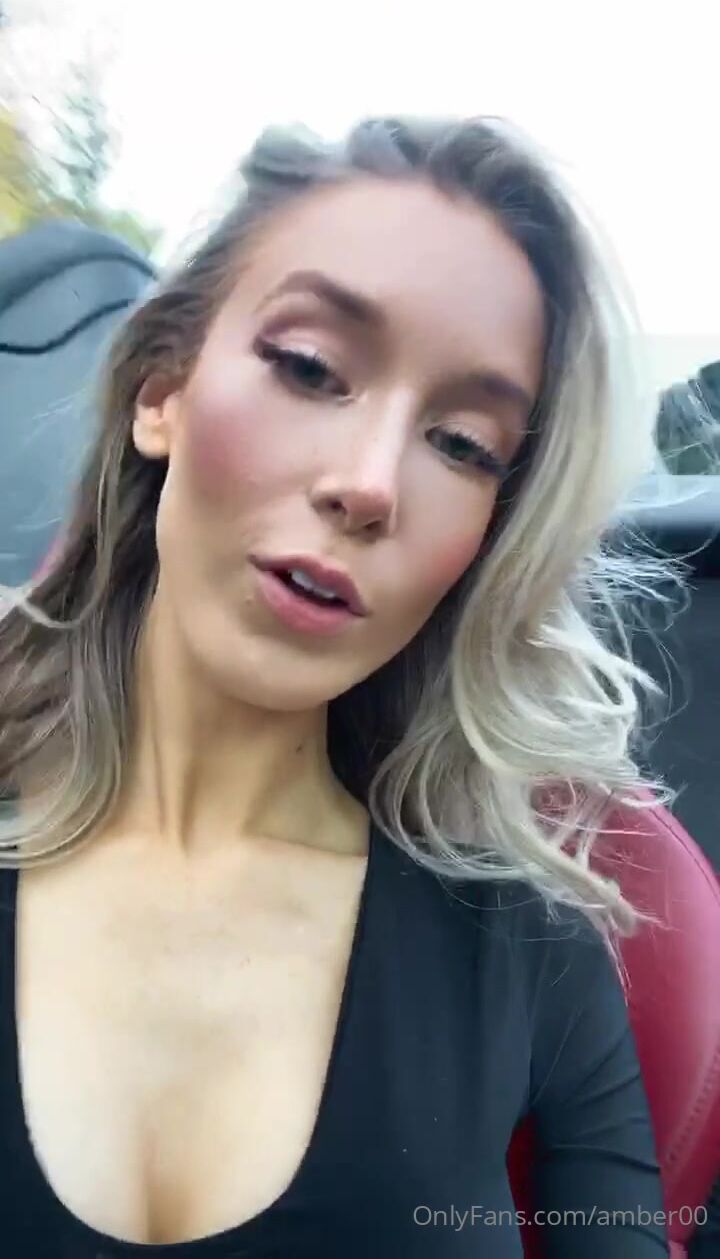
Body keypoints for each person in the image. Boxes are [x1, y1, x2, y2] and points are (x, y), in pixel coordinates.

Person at [0, 115, 673, 1256]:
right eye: (310, 368)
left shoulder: (524, 945)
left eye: (462, 445)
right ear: (162, 390)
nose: (370, 485)